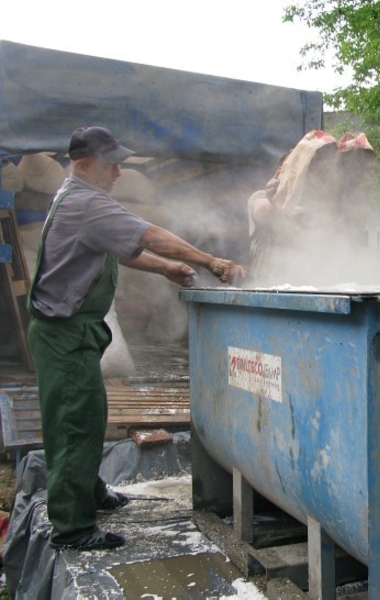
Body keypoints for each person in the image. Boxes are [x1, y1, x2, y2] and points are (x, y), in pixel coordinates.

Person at [27, 126, 245, 551]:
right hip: (64, 333)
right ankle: (73, 528)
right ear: (84, 162)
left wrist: (164, 268)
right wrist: (210, 260)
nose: (119, 170)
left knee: (85, 415)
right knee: (74, 424)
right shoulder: (86, 203)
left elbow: (124, 248)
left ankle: (88, 490)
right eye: (112, 162)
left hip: (68, 331)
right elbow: (149, 235)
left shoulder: (75, 197)